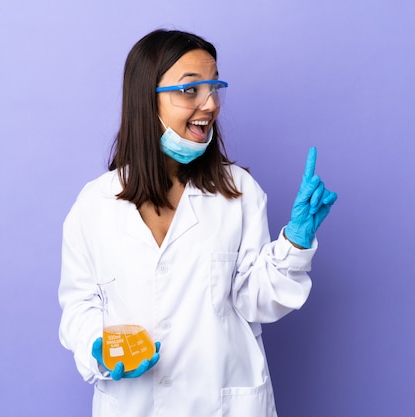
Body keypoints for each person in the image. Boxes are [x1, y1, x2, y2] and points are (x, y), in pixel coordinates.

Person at [58, 29, 337, 417]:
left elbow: (254, 299)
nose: (210, 104)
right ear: (145, 98)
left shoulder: (238, 192)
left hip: (222, 403)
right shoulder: (95, 204)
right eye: (191, 90)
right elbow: (79, 304)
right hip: (133, 404)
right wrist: (97, 347)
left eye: (214, 88)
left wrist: (294, 244)